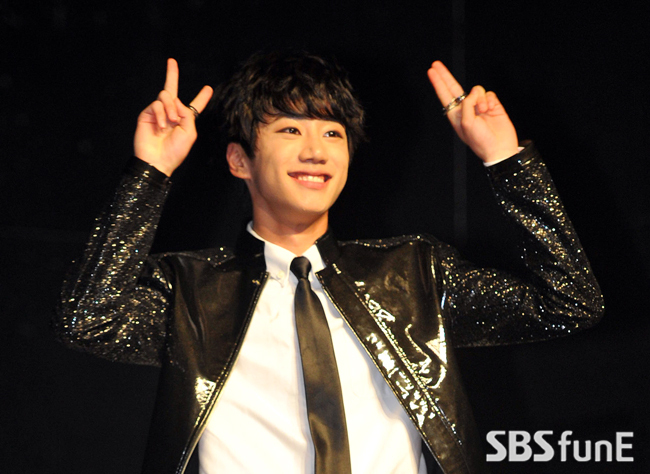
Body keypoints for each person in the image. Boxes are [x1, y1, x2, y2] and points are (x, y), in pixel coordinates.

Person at [55, 51, 603, 474]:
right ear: (239, 160)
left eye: (333, 133)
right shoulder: (192, 290)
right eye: (290, 129)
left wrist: (506, 160)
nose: (316, 150)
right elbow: (88, 320)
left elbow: (570, 303)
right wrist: (149, 173)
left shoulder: (412, 272)